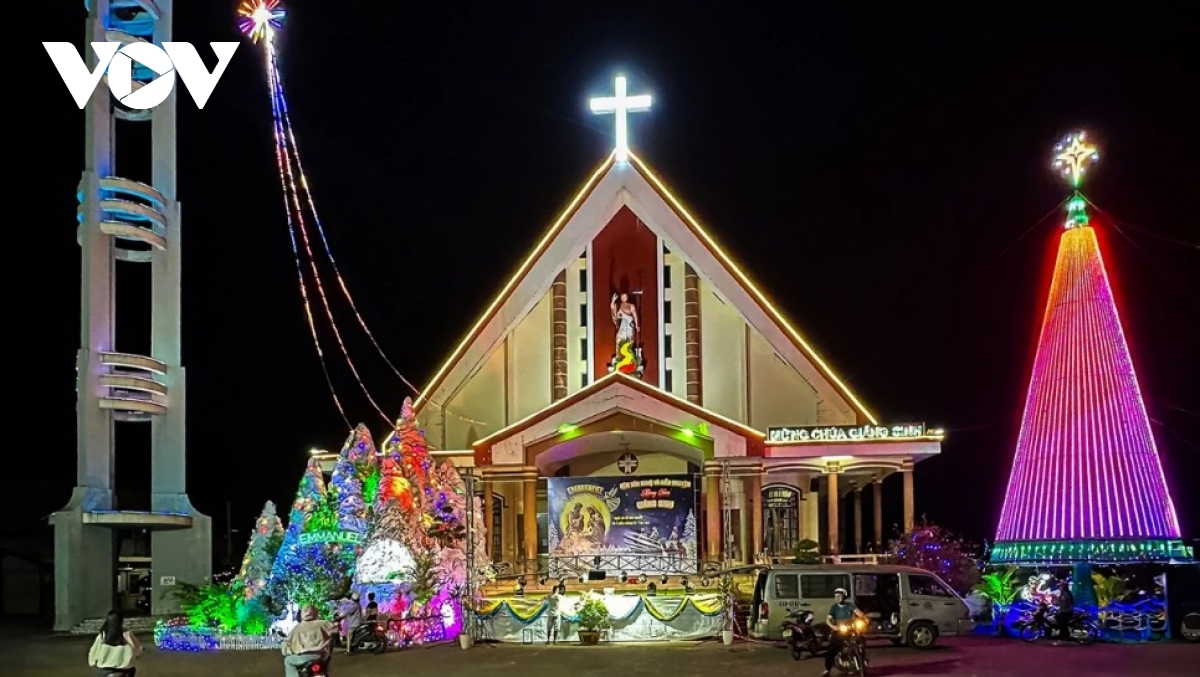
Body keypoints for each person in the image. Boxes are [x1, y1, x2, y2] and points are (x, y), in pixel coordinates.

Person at [281, 605, 334, 677]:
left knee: (288, 660)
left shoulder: (297, 628)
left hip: (305, 657)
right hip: (321, 655)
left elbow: (287, 643)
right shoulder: (323, 623)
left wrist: (289, 651)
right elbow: (335, 630)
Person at [822, 588, 864, 677]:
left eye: (839, 596)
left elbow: (859, 613)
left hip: (851, 629)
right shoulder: (834, 607)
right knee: (832, 650)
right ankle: (827, 669)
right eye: (836, 596)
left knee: (861, 640)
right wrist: (834, 627)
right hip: (840, 630)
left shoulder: (850, 605)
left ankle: (862, 662)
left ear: (844, 597)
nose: (837, 598)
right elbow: (828, 620)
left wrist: (865, 618)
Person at [87, 609, 142, 676]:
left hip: (105, 671)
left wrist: (93, 661)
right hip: (124, 670)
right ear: (121, 621)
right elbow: (137, 650)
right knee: (132, 670)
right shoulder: (127, 634)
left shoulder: (102, 636)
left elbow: (93, 652)